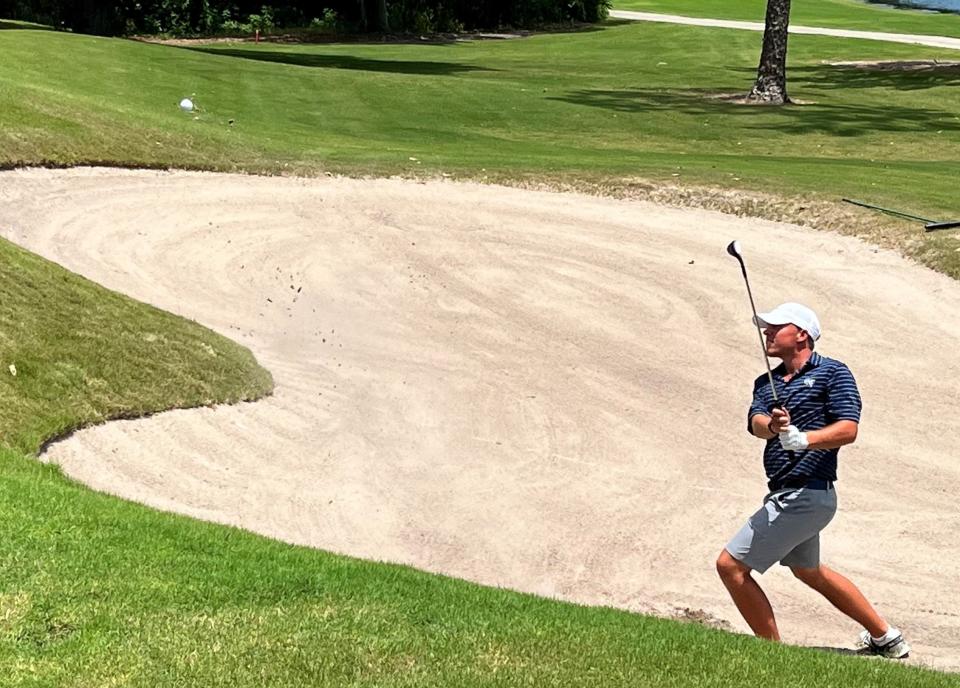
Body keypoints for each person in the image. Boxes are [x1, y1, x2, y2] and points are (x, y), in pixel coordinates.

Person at [715, 302, 910, 659]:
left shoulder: (834, 373)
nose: (767, 332)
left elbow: (848, 429)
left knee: (730, 566)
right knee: (809, 571)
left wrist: (806, 439)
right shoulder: (767, 381)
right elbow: (755, 422)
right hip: (789, 493)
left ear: (802, 334)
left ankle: (770, 654)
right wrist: (774, 427)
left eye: (776, 327)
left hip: (807, 494)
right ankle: (887, 639)